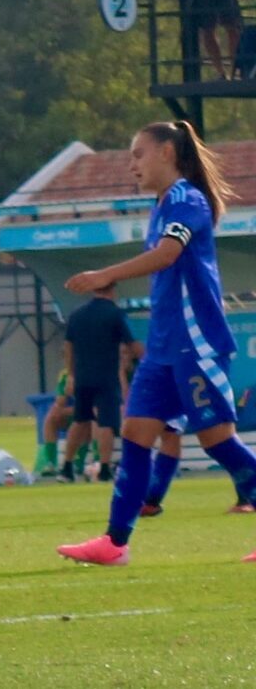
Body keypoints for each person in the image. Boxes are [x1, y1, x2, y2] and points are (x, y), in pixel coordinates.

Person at [58, 121, 256, 566]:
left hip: (196, 342)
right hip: (165, 345)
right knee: (135, 432)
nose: (132, 165)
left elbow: (168, 254)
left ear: (167, 152)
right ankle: (114, 543)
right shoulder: (162, 205)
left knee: (216, 439)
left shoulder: (188, 199)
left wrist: (105, 275)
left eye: (138, 154)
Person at [56, 285, 141, 483]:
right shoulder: (115, 314)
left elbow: (68, 345)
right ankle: (104, 468)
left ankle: (66, 467)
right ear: (112, 291)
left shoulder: (77, 314)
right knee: (106, 423)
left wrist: (71, 374)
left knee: (80, 420)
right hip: (106, 377)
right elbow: (131, 344)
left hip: (83, 376)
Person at [36, 368, 73, 477]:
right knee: (51, 419)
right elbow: (59, 402)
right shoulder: (65, 375)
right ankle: (51, 463)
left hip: (90, 413)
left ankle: (82, 464)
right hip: (73, 413)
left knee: (84, 419)